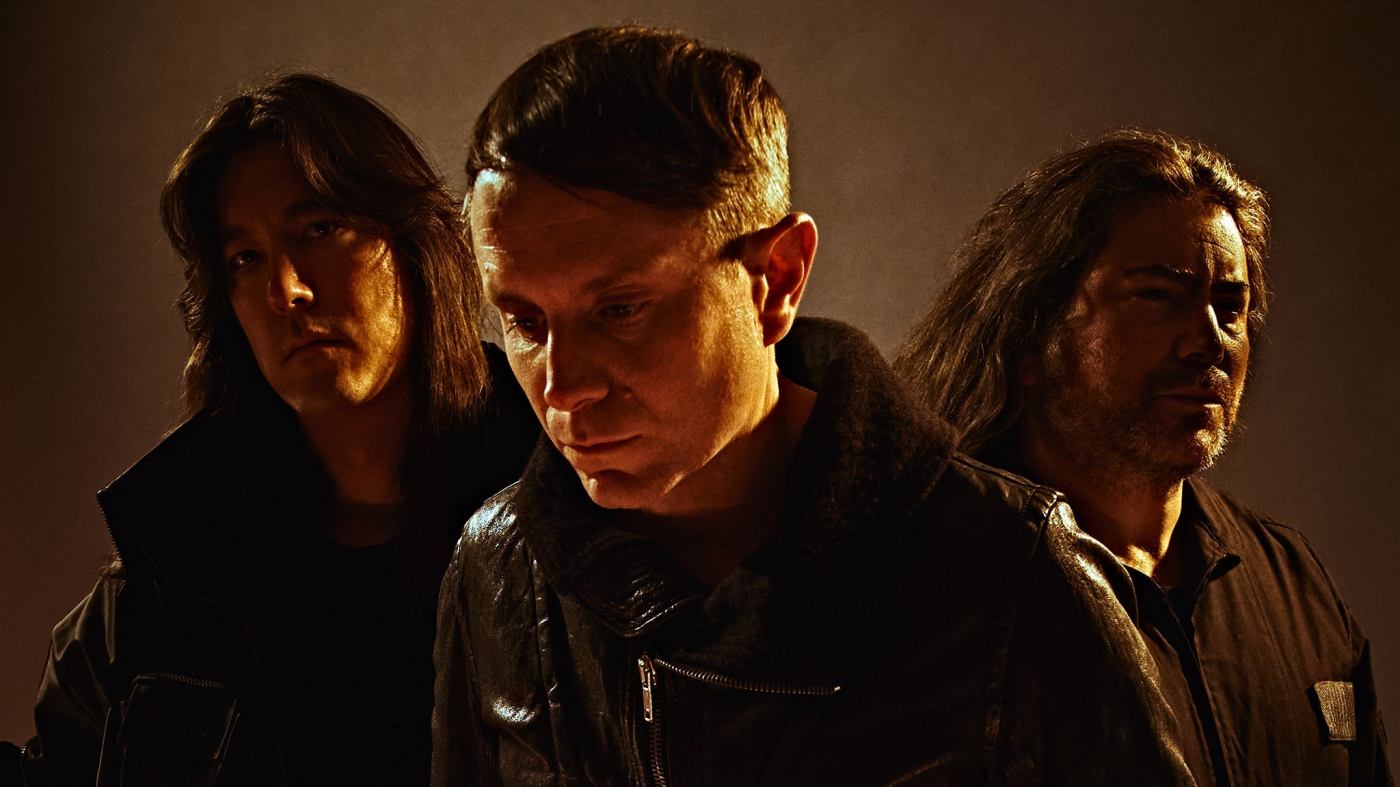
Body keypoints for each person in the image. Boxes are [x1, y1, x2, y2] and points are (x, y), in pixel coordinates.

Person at [431, 26, 1193, 786]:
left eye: (621, 310)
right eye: (524, 322)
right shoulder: (498, 566)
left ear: (778, 279)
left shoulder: (1010, 573)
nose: (562, 386)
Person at [6, 73, 538, 786]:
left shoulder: (567, 514)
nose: (284, 288)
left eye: (319, 229)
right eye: (246, 258)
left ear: (415, 245)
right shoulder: (171, 572)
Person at [894, 128, 1392, 786]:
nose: (1208, 340)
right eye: (1157, 296)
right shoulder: (935, 598)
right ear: (1030, 332)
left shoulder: (1295, 587)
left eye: (1230, 306)